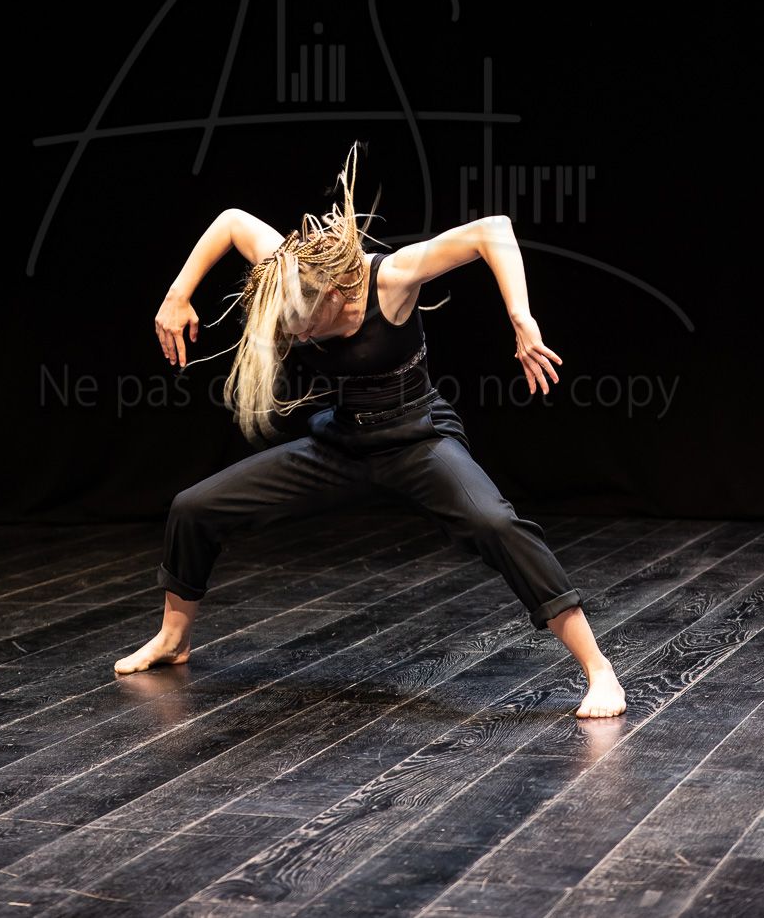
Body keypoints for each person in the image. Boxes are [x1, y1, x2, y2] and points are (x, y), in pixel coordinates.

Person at [114, 143, 626, 718]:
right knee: (193, 507)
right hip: (341, 444)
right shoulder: (291, 270)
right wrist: (177, 294)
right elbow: (232, 222)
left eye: (308, 327)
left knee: (496, 524)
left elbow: (493, 229)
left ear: (337, 295)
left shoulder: (393, 278)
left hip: (416, 440)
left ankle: (599, 670)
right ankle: (174, 638)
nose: (299, 338)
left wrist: (520, 317)